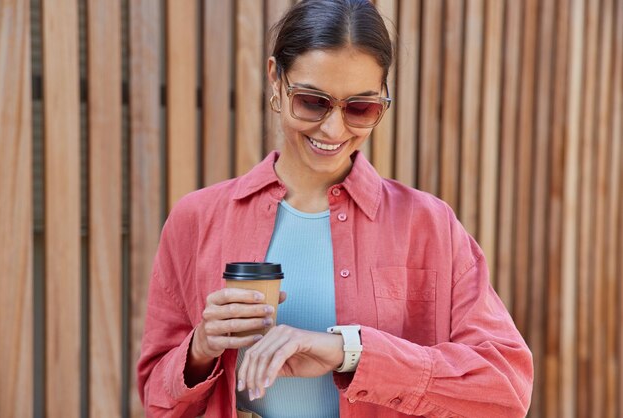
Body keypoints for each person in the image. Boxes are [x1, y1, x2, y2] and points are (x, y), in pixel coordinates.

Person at [137, 0, 533, 416]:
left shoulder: (428, 226)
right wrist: (200, 349)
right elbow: (157, 401)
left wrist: (351, 352)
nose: (333, 129)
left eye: (361, 108)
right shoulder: (196, 220)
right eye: (312, 101)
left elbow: (504, 390)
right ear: (276, 79)